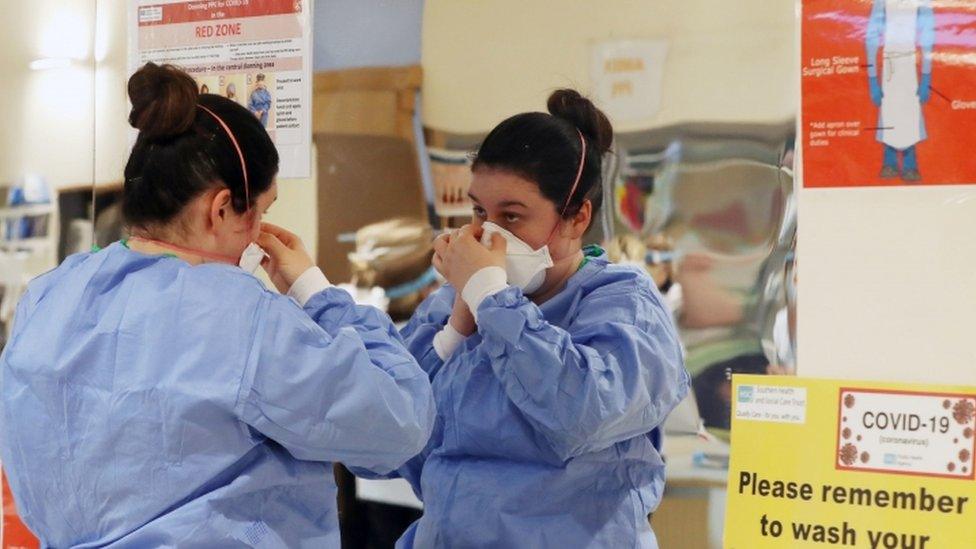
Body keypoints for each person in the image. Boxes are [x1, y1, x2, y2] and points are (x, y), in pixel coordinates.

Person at [0, 63, 435, 547]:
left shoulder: (48, 297)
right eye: (262, 212)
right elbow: (399, 422)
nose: (260, 232)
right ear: (222, 207)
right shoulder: (243, 319)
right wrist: (317, 292)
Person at [391, 90, 689, 547]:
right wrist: (455, 329)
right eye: (479, 212)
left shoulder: (623, 303)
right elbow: (389, 441)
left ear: (575, 218)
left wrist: (493, 300)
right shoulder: (453, 303)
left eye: (512, 217)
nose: (486, 235)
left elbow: (582, 414)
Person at [866, 0, 935, 182]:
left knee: (911, 111)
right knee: (889, 110)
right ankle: (889, 161)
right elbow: (872, 35)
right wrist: (872, 78)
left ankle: (910, 163)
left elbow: (928, 33)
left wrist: (926, 76)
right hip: (890, 62)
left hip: (909, 62)